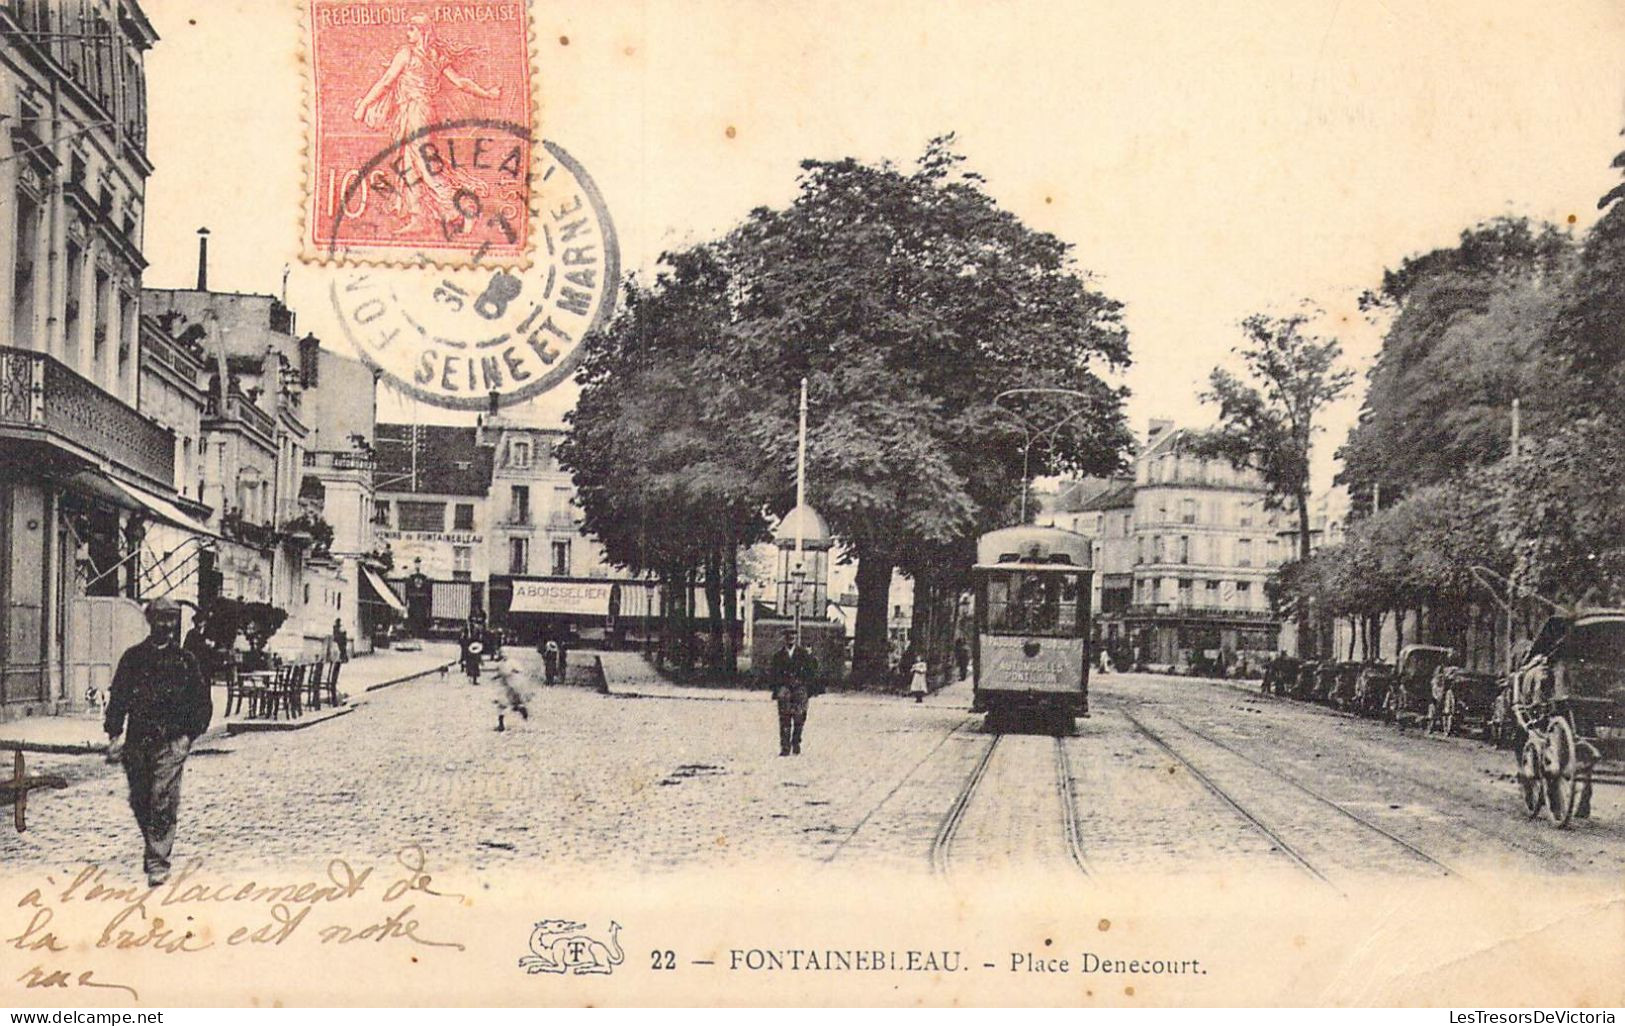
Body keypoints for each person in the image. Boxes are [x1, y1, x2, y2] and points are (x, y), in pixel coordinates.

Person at [104, 598, 212, 887]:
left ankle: (157, 862)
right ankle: (153, 845)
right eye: (160, 619)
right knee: (140, 799)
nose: (166, 625)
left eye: (171, 620)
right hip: (138, 742)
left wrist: (190, 736)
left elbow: (202, 702)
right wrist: (114, 733)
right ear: (150, 622)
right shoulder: (133, 657)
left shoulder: (186, 661)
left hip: (172, 741)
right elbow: (119, 697)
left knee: (163, 800)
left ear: (176, 623)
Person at [769, 636, 818, 756]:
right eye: (788, 637)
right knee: (784, 718)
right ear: (784, 639)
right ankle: (785, 746)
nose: (790, 640)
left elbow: (811, 671)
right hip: (785, 689)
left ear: (796, 639)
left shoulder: (803, 654)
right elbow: (773, 674)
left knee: (799, 718)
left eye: (793, 637)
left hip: (799, 689)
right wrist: (777, 689)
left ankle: (796, 742)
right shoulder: (778, 656)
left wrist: (807, 688)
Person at [458, 618, 486, 685]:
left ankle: (474, 679)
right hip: (469, 647)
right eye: (471, 621)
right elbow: (462, 638)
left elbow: (480, 638)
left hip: (474, 647)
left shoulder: (476, 629)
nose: (472, 623)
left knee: (474, 664)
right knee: (470, 663)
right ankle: (471, 677)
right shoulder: (466, 630)